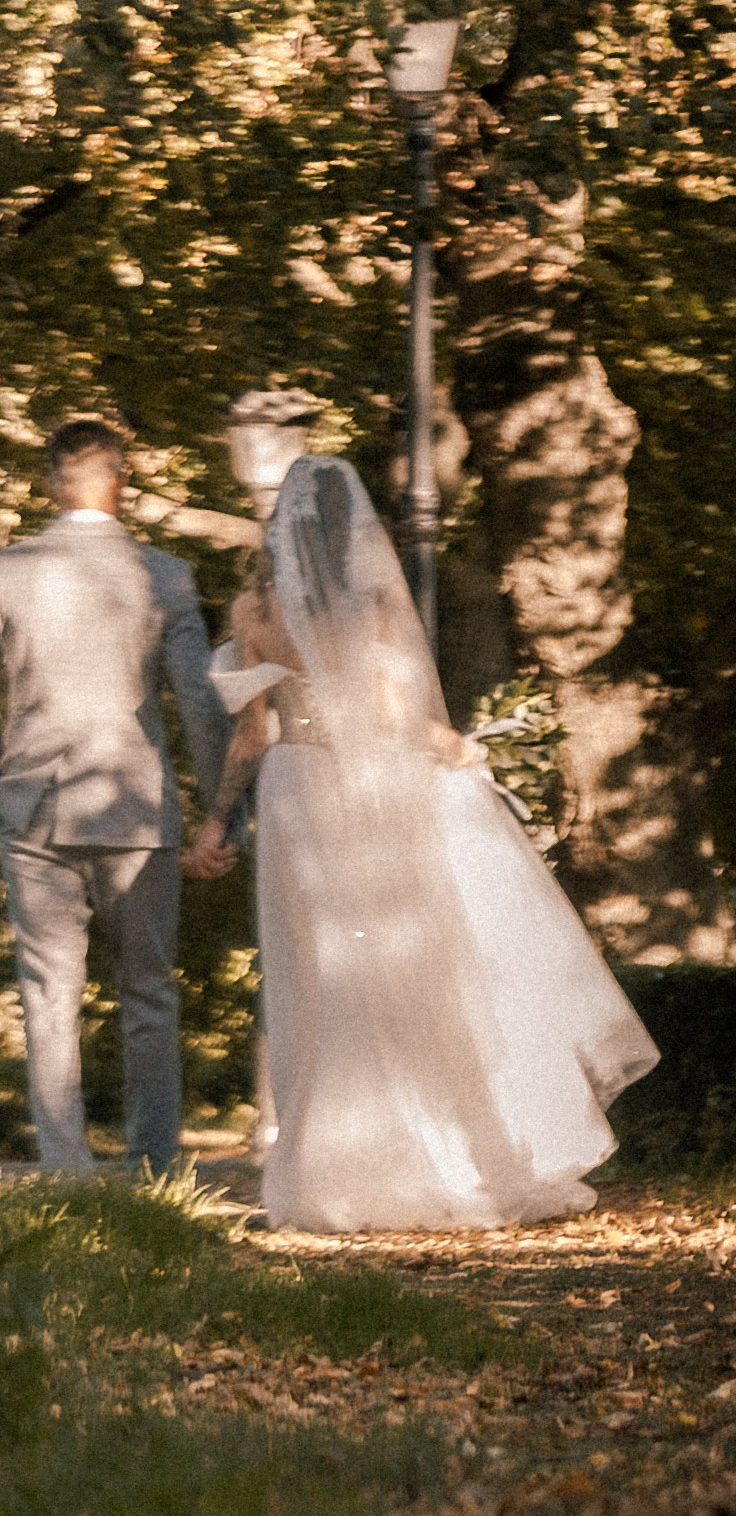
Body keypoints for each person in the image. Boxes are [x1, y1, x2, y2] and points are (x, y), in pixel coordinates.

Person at [181, 452, 658, 1230]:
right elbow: (396, 718)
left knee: (319, 975)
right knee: (400, 968)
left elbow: (249, 735)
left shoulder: (254, 614)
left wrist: (213, 821)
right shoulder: (367, 609)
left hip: (294, 792)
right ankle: (435, 1153)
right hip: (362, 789)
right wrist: (460, 748)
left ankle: (326, 1174)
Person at [0, 416, 229, 1175]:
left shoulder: (2, 572)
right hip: (137, 808)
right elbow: (199, 701)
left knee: (47, 996)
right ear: (122, 480)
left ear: (48, 483)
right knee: (149, 996)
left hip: (31, 808)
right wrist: (224, 809)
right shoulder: (164, 575)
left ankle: (67, 1173)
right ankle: (155, 1169)